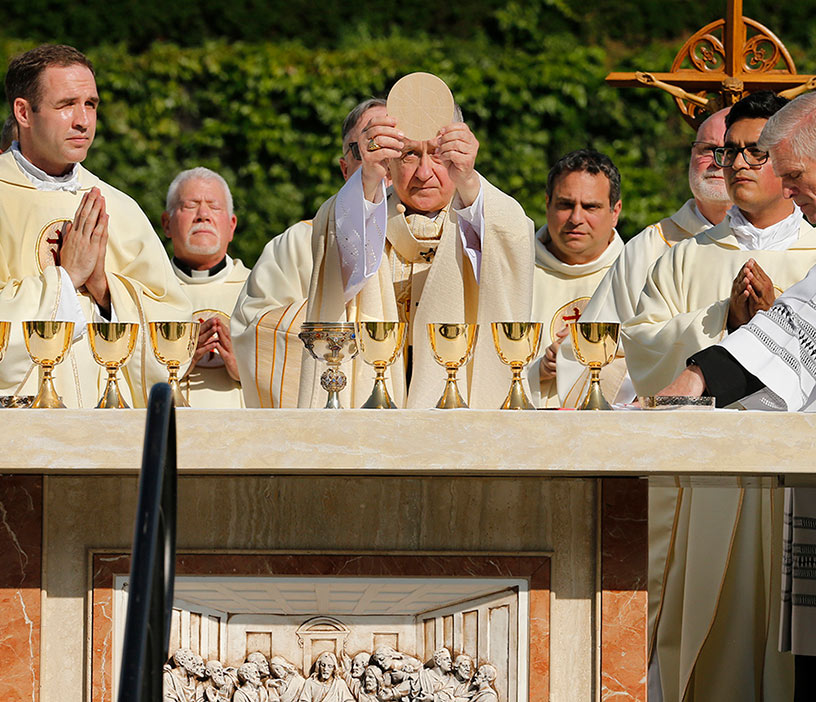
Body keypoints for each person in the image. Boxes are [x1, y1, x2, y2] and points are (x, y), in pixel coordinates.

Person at [625, 91, 816, 702]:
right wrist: (699, 365)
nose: (787, 186)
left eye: (793, 173)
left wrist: (695, 380)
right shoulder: (680, 253)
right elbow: (792, 331)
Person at [299, 90, 533, 409]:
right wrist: (368, 175)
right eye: (409, 155)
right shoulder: (365, 213)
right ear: (390, 163)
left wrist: (468, 179)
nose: (424, 173)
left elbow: (512, 240)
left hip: (459, 396)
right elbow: (342, 239)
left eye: (437, 154)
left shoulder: (480, 216)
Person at [0, 44, 191, 406]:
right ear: (23, 112)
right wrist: (65, 280)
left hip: (105, 429)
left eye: (90, 104)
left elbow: (174, 322)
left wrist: (105, 290)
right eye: (66, 104)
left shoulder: (119, 206)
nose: (83, 121)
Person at [555, 108, 732, 407]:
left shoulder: (803, 247)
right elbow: (586, 359)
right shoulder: (648, 248)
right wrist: (651, 389)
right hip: (657, 433)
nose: (716, 162)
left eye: (728, 151)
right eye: (706, 150)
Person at [232, 98, 387, 408]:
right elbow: (253, 330)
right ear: (346, 168)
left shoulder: (448, 238)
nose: (382, 159)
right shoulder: (298, 243)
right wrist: (333, 317)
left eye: (397, 146)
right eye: (369, 146)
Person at [527, 148, 624, 407]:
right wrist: (537, 372)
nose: (576, 218)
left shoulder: (634, 275)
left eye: (590, 206)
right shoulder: (517, 270)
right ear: (547, 204)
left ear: (615, 211)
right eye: (565, 205)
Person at [164, 167, 249, 407]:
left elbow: (289, 374)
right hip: (169, 432)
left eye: (214, 206)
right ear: (166, 224)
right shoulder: (148, 292)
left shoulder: (260, 291)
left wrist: (246, 368)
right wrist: (178, 364)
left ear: (232, 226)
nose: (203, 215)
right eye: (190, 205)